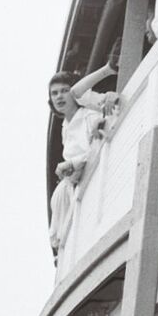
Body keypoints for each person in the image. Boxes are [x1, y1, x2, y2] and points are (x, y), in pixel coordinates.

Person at [48, 61, 120, 252]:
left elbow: (97, 149)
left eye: (63, 91)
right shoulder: (65, 127)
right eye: (54, 93)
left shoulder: (88, 116)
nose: (59, 96)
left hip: (89, 180)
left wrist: (70, 164)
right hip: (73, 186)